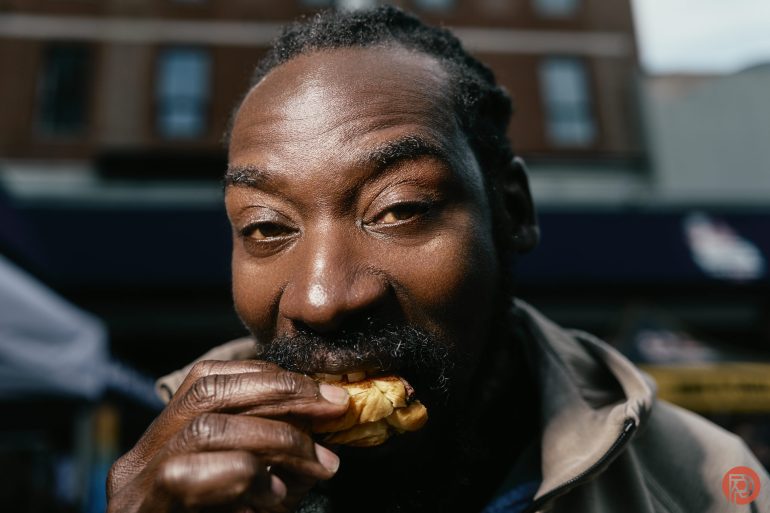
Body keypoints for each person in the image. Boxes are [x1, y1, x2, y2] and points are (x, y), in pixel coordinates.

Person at [106, 7, 769, 513]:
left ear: (510, 210)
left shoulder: (716, 483)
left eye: (398, 208)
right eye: (265, 226)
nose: (321, 297)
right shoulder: (170, 481)